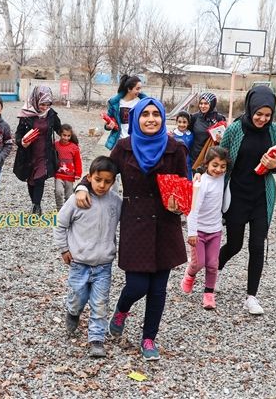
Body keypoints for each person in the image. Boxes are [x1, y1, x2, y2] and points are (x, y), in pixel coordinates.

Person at [75, 97, 188, 361]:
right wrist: (82, 186)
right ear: (136, 119)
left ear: (162, 117)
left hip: (165, 224)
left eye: (155, 114)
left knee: (158, 288)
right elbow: (101, 172)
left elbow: (185, 186)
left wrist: (179, 204)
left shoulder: (176, 148)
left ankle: (149, 338)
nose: (151, 118)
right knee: (137, 285)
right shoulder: (124, 148)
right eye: (144, 114)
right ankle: (122, 308)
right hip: (135, 222)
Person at [218, 85, 276, 315]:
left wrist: (275, 165)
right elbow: (219, 160)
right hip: (237, 195)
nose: (263, 119)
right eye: (259, 114)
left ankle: (251, 297)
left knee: (257, 246)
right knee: (235, 245)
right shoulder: (234, 130)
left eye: (267, 115)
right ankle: (213, 270)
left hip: (261, 196)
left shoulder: (274, 130)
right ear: (250, 108)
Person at [53, 156, 122, 358]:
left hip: (103, 265)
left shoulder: (115, 202)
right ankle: (73, 312)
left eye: (107, 181)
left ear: (113, 181)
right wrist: (64, 249)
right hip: (79, 263)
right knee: (77, 297)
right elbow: (60, 224)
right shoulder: (77, 200)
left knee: (100, 303)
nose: (101, 185)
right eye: (98, 179)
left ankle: (96, 339)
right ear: (89, 177)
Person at [180, 147, 230, 310]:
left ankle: (209, 294)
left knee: (212, 264)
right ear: (207, 164)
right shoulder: (201, 183)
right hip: (199, 231)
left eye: (223, 166)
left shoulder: (224, 178)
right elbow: (192, 209)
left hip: (215, 230)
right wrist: (192, 232)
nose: (218, 169)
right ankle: (190, 274)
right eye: (215, 165)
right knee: (199, 263)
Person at [13, 86, 62, 215]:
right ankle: (34, 203)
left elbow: (60, 129)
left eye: (48, 104)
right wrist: (22, 142)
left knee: (40, 178)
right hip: (28, 153)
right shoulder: (26, 115)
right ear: (35, 100)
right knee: (31, 180)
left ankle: (37, 206)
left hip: (44, 154)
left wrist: (71, 140)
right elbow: (18, 135)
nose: (45, 107)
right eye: (42, 104)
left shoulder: (51, 115)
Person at [104, 74, 147, 150]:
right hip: (119, 142)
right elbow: (108, 121)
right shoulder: (115, 104)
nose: (139, 91)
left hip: (135, 143)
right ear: (129, 89)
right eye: (137, 89)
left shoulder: (142, 103)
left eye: (140, 89)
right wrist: (108, 126)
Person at [188, 92, 226, 169]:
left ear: (212, 104)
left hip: (211, 157)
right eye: (201, 103)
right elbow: (187, 132)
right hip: (195, 156)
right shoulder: (195, 117)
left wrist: (219, 141)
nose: (202, 106)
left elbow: (224, 139)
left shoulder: (219, 118)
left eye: (206, 103)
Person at [54, 124, 83, 210]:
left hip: (70, 176)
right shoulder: (55, 145)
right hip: (58, 175)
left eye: (68, 136)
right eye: (64, 135)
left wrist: (78, 173)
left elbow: (78, 161)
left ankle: (66, 211)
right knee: (58, 192)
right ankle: (59, 209)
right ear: (60, 134)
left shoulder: (74, 147)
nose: (66, 138)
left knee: (69, 195)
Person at [172, 111, 194, 180]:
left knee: (187, 184)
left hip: (188, 164)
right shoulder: (172, 135)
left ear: (188, 123)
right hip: (175, 164)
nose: (181, 124)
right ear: (176, 122)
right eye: (179, 122)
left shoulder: (191, 135)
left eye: (184, 122)